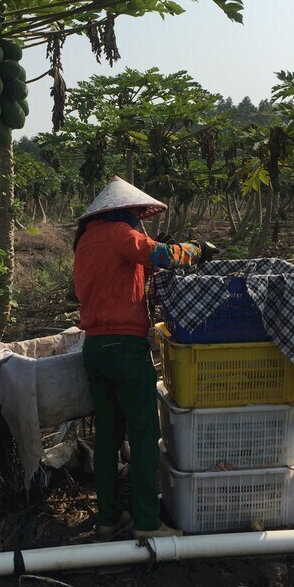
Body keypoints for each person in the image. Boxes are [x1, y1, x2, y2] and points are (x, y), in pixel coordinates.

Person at [73, 176, 215, 540]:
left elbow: (128, 271)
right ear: (124, 212)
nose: (139, 219)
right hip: (124, 346)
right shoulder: (119, 232)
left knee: (107, 434)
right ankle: (148, 524)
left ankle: (108, 517)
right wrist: (197, 249)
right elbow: (164, 255)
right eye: (137, 214)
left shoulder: (87, 241)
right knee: (144, 434)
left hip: (95, 348)